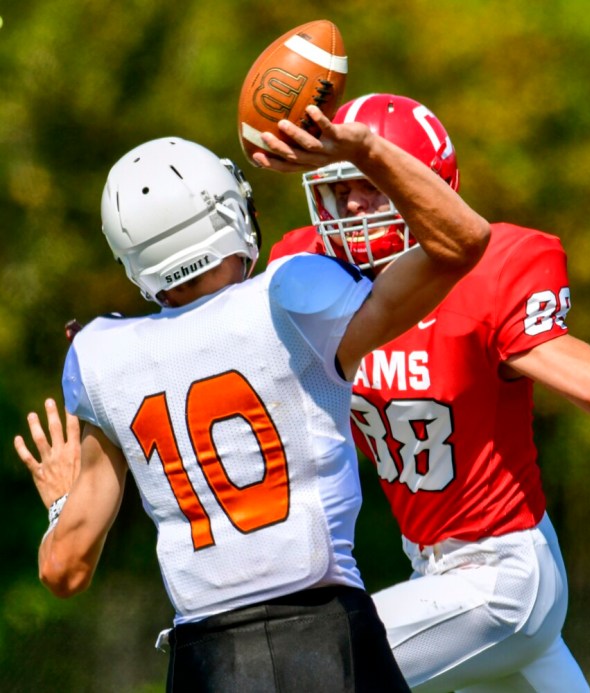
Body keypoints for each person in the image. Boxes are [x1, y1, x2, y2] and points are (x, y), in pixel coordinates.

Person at [13, 105, 490, 692]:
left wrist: (63, 503)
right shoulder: (292, 296)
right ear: (231, 215)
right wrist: (363, 150)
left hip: (207, 665)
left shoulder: (100, 355)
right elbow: (465, 241)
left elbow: (64, 570)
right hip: (330, 643)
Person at [268, 93, 590, 692]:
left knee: (319, 668)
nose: (354, 203)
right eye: (342, 187)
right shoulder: (314, 282)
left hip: (502, 575)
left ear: (427, 186)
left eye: (374, 184)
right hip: (433, 572)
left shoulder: (484, 278)